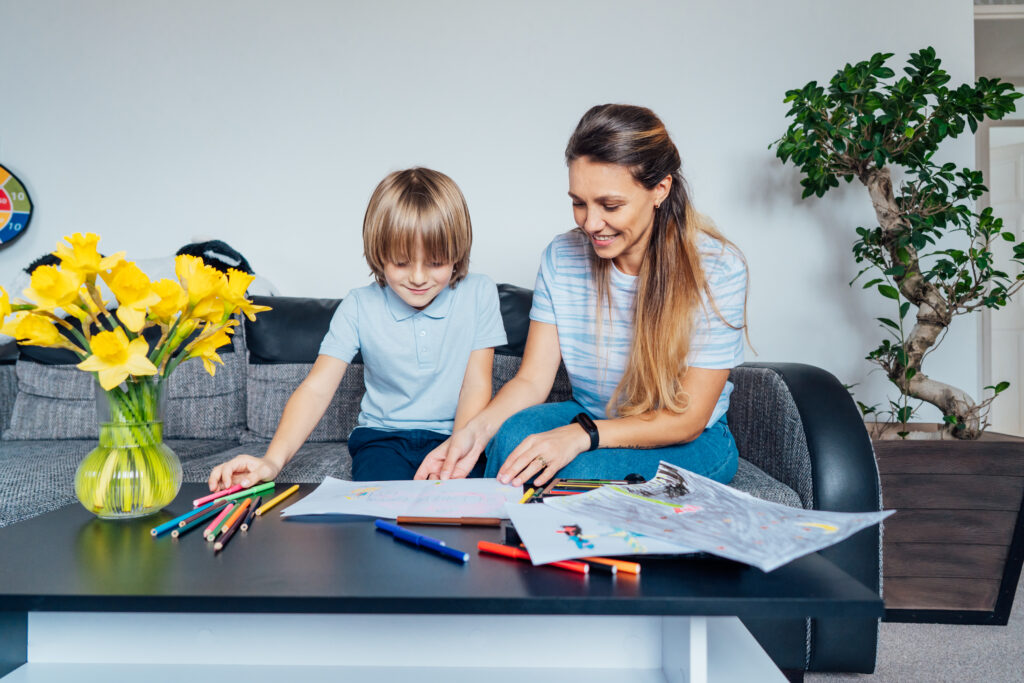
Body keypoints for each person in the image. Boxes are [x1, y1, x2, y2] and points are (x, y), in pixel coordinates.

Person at [415, 104, 747, 488]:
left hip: (689, 438)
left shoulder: (718, 268)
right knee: (508, 439)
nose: (590, 223)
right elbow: (532, 381)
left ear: (660, 189)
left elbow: (687, 421)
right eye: (578, 203)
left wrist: (582, 436)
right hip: (589, 415)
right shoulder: (562, 256)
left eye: (610, 205)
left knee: (571, 473)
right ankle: (490, 541)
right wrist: (474, 432)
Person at [208, 168, 507, 488]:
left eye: (435, 263)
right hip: (382, 439)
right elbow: (316, 389)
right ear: (379, 254)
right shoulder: (358, 306)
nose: (418, 278)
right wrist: (272, 460)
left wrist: (452, 456)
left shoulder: (479, 293)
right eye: (402, 262)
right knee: (381, 511)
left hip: (457, 436)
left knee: (464, 504)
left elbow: (475, 385)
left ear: (456, 252)